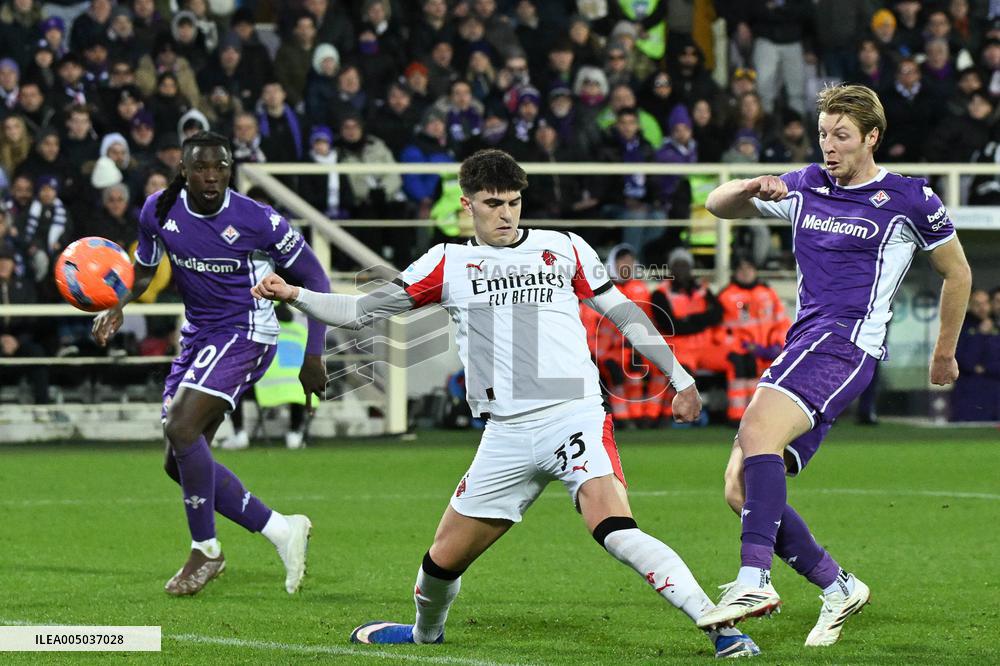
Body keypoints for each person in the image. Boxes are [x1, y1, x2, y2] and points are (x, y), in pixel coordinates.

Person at [252, 149, 760, 659]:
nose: (506, 214)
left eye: (514, 202)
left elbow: (624, 313)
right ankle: (424, 635)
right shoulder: (447, 262)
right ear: (466, 203)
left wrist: (679, 377)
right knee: (440, 562)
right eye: (493, 203)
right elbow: (360, 311)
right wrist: (293, 293)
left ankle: (722, 629)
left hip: (573, 414)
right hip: (506, 435)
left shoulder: (564, 248)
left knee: (613, 527)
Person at [696, 84, 972, 646]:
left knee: (756, 430)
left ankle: (754, 580)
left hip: (847, 347)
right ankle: (838, 585)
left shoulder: (908, 199)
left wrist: (944, 350)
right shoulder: (806, 183)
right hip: (803, 345)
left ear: (872, 137)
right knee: (739, 487)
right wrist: (751, 186)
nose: (829, 145)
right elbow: (715, 205)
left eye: (842, 136)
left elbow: (958, 272)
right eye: (823, 133)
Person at [91, 131, 331, 597]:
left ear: (230, 169)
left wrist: (314, 352)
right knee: (177, 462)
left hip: (247, 332)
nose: (211, 176)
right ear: (183, 169)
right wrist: (120, 303)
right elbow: (144, 268)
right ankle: (282, 529)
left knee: (180, 429)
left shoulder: (257, 219)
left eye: (220, 166)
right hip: (200, 336)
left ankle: (206, 550)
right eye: (200, 167)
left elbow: (314, 275)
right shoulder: (158, 210)